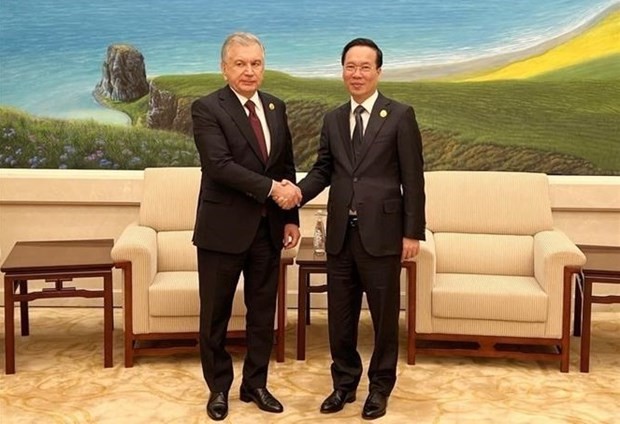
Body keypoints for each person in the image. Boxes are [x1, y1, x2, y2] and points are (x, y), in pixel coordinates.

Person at [293, 37, 426, 420]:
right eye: (350, 66)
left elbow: (412, 179)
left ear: (378, 72)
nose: (357, 74)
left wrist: (412, 232)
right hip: (340, 236)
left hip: (383, 235)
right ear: (342, 71)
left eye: (365, 67)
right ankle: (344, 384)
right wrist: (296, 194)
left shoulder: (400, 115)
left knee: (383, 318)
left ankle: (380, 389)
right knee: (341, 317)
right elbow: (323, 170)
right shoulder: (333, 118)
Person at [191, 32, 301, 421]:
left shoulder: (275, 106)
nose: (249, 71)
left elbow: (285, 165)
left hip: (268, 230)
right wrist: (274, 190)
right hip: (222, 230)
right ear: (225, 68)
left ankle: (255, 383)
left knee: (261, 313)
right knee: (215, 314)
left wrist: (290, 217)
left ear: (263, 67)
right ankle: (218, 388)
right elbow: (219, 167)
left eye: (255, 63)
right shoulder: (207, 108)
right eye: (240, 64)